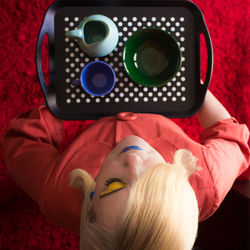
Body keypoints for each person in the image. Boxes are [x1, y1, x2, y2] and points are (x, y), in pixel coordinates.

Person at [1, 89, 249, 250]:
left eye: (114, 185)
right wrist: (196, 88)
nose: (133, 161)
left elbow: (20, 141)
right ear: (183, 182)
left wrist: (63, 97)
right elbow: (232, 139)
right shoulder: (209, 179)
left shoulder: (56, 190)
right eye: (155, 179)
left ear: (91, 201)